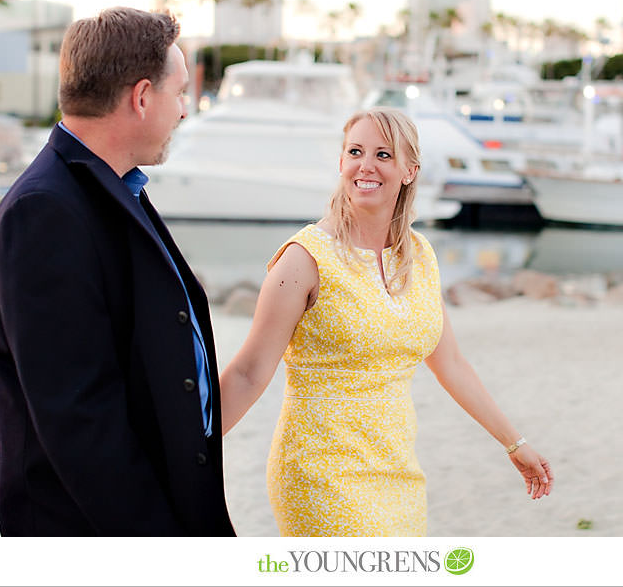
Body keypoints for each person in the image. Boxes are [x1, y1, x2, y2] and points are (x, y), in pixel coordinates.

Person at [219, 107, 553, 536]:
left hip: (399, 472)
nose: (366, 165)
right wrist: (189, 449)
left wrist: (514, 443)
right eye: (355, 151)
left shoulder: (419, 257)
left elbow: (450, 363)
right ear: (341, 162)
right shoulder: (304, 259)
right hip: (321, 472)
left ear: (409, 170)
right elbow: (248, 372)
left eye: (383, 154)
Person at [0, 7, 235, 535]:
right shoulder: (43, 211)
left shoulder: (113, 187)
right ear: (142, 98)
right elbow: (79, 420)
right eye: (179, 92)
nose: (184, 111)